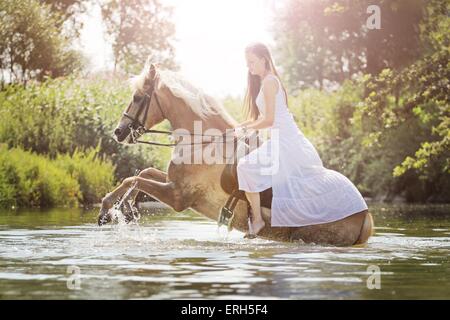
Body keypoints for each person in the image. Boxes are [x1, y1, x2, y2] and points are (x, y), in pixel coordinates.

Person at [234, 42, 368, 239]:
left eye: (252, 62)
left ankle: (258, 220)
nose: (250, 67)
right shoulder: (268, 81)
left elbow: (269, 120)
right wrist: (237, 127)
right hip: (283, 138)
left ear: (264, 59)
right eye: (248, 63)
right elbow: (262, 118)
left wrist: (245, 129)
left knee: (244, 167)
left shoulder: (270, 82)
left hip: (284, 140)